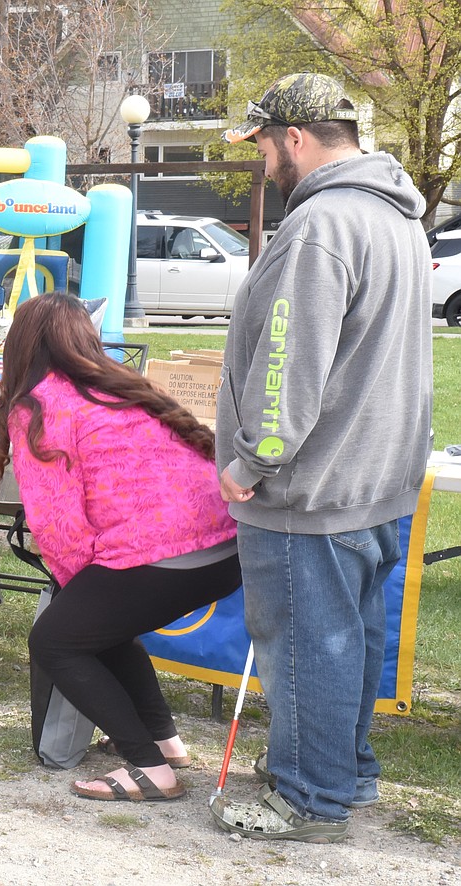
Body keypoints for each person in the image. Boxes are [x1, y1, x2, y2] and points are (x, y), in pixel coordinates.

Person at [211, 72, 432, 842]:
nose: (263, 161)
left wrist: (251, 461)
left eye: (265, 144)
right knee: (351, 635)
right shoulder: (395, 217)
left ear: (295, 139)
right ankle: (348, 774)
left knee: (307, 644)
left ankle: (309, 798)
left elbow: (288, 366)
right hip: (376, 477)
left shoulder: (320, 226)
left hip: (312, 485)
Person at [0, 291, 241, 803]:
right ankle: (165, 744)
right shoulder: (122, 388)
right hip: (226, 549)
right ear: (87, 339)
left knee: (55, 640)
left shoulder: (38, 405)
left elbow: (56, 520)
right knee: (99, 630)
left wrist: (75, 586)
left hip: (157, 553)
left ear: (21, 344)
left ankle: (148, 767)